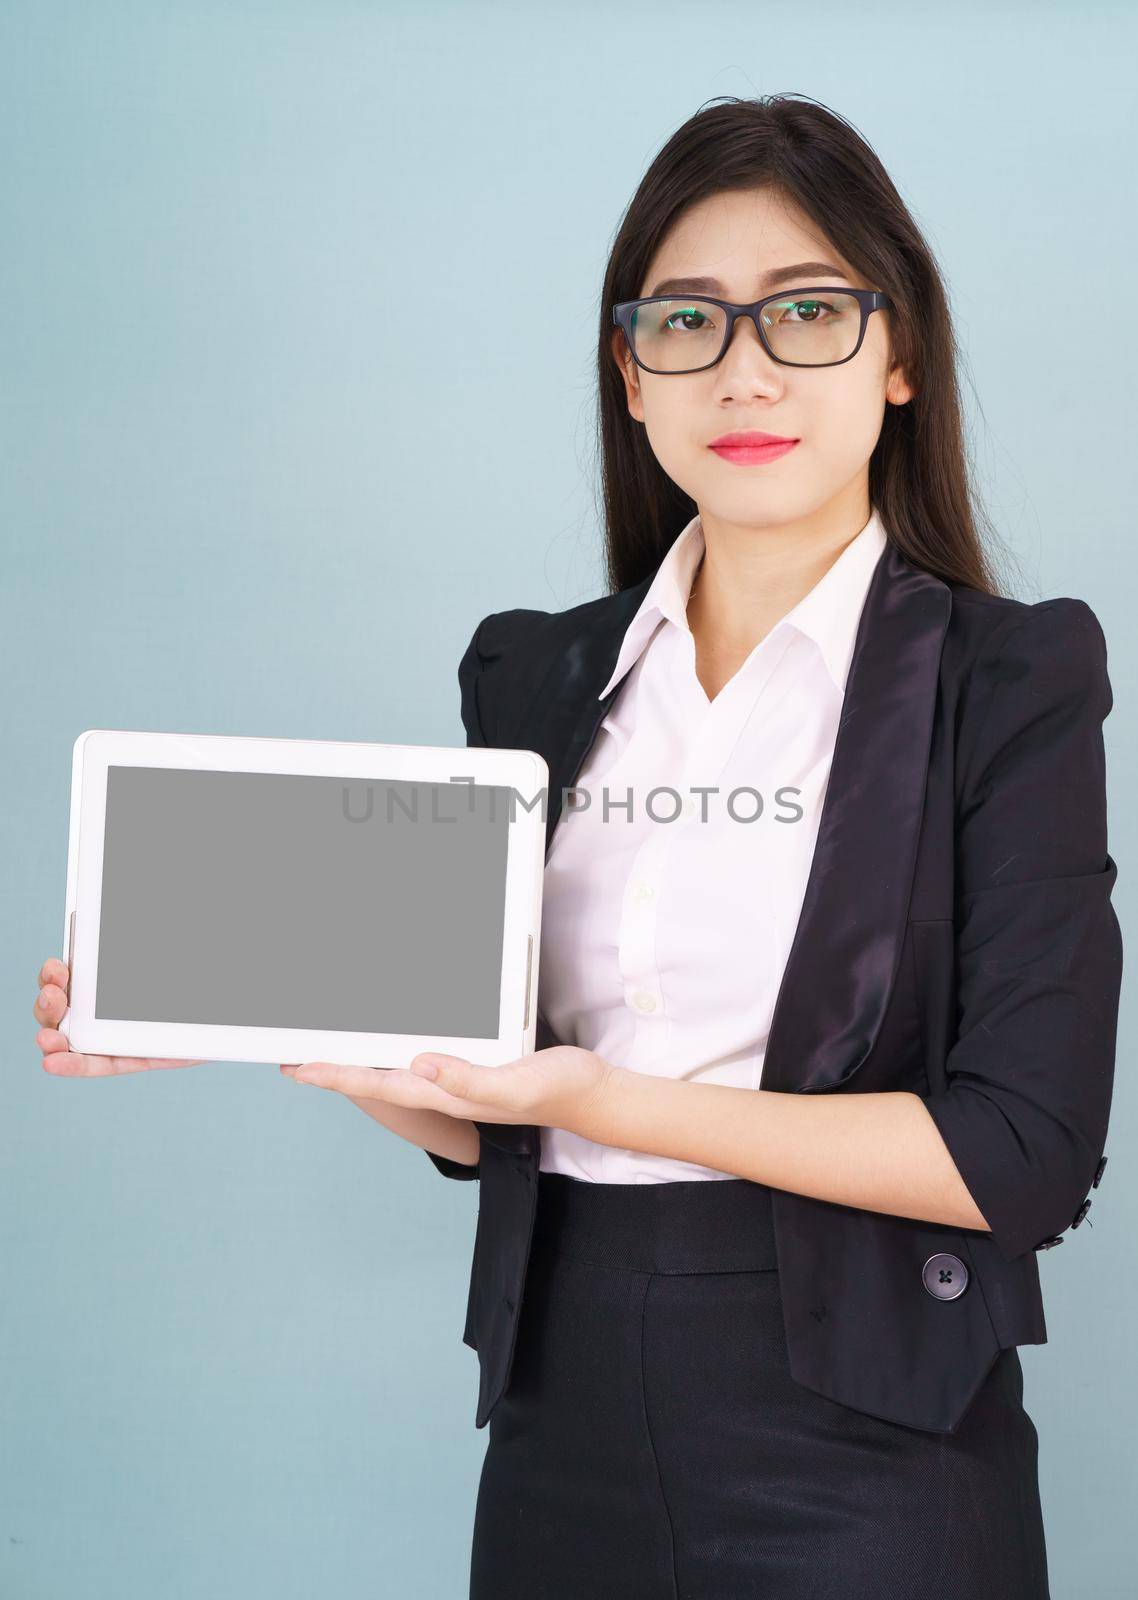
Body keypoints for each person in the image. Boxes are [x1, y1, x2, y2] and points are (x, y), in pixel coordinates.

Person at [35, 94, 1121, 1599]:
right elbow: (503, 1113)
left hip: (874, 1436)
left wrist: (616, 1099)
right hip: (562, 1417)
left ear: (898, 357)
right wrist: (272, 1021)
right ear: (629, 371)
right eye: (686, 320)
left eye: (804, 311)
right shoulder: (534, 675)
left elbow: (1021, 1158)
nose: (741, 367)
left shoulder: (1005, 680)